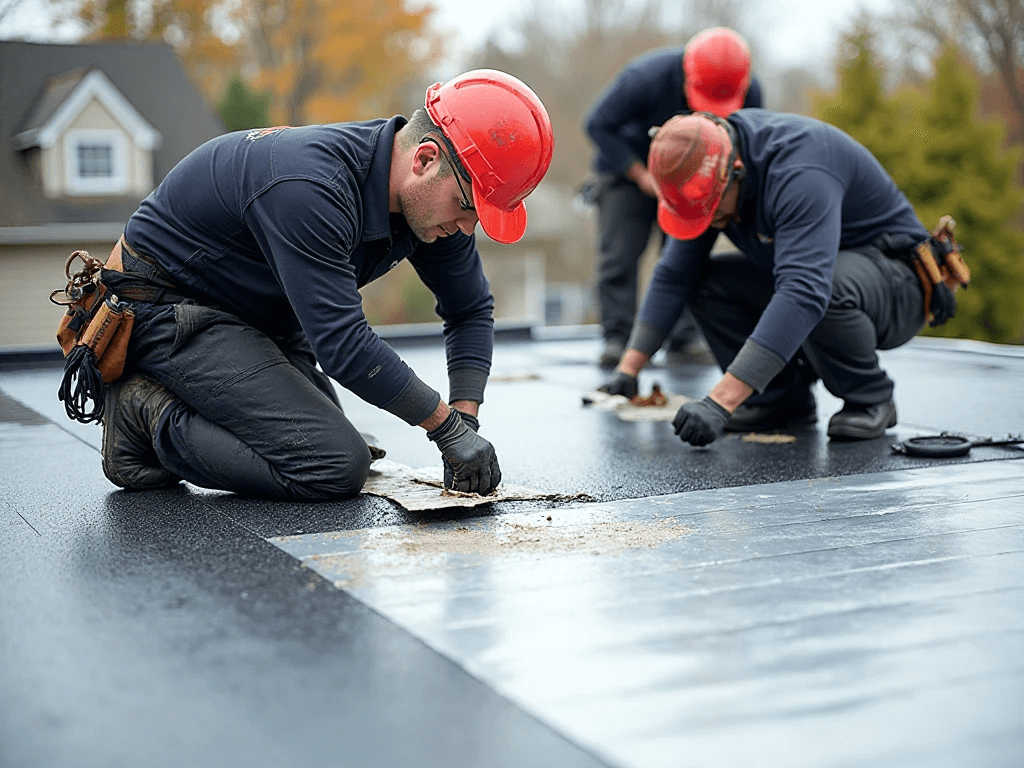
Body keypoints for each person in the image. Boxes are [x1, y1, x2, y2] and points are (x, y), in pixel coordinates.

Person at [86, 69, 553, 499]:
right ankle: (142, 418)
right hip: (162, 307)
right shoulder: (311, 185)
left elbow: (469, 308)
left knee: (332, 444)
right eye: (466, 206)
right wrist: (443, 428)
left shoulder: (435, 206)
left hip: (250, 315)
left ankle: (183, 405)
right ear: (425, 159)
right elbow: (343, 346)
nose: (467, 228)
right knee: (331, 463)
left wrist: (465, 420)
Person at [599, 109, 955, 443]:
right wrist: (628, 371)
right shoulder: (708, 164)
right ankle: (777, 402)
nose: (708, 222)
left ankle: (872, 397)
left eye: (713, 211)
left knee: (823, 287)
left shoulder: (801, 170)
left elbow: (804, 291)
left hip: (897, 285)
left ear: (735, 170)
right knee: (704, 283)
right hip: (826, 277)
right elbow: (675, 274)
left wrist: (720, 402)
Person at [583, 26, 764, 369]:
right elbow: (597, 125)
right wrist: (641, 175)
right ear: (686, 74)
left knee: (685, 254)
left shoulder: (748, 89)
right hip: (629, 172)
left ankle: (684, 337)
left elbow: (750, 139)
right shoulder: (643, 78)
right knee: (619, 255)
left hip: (694, 178)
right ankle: (617, 338)